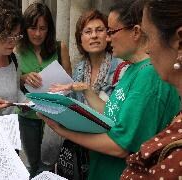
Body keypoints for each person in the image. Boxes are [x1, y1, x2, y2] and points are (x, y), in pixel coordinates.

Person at [37, 0, 180, 179]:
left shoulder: (148, 75)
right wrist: (86, 91)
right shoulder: (132, 69)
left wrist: (63, 131)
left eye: (110, 31)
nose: (107, 37)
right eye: (88, 32)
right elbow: (113, 115)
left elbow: (120, 145)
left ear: (136, 32)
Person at [48, 9, 123, 179]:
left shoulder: (121, 68)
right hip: (81, 148)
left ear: (108, 35)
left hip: (109, 150)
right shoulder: (80, 69)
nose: (94, 36)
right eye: (88, 32)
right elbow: (74, 106)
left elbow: (118, 116)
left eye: (99, 30)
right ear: (80, 39)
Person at [121, 0, 182, 178]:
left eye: (148, 37)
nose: (147, 49)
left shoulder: (147, 74)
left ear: (179, 43)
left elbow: (122, 143)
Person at [15, 2, 71, 177]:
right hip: (27, 116)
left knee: (47, 164)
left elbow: (69, 82)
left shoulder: (59, 47)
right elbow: (9, 81)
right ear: (25, 28)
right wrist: (23, 78)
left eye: (43, 28)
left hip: (54, 116)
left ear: (49, 29)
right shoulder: (17, 50)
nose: (38, 33)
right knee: (32, 164)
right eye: (32, 28)